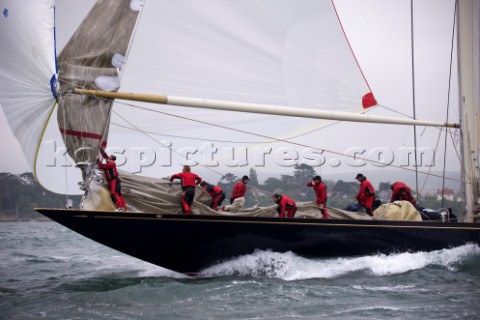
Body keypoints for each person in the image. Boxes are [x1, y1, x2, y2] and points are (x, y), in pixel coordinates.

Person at [96, 147, 126, 212]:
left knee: (114, 193)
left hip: (114, 181)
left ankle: (121, 207)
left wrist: (98, 160)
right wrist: (101, 150)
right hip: (114, 181)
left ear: (111, 159)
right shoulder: (109, 162)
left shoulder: (111, 164)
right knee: (118, 194)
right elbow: (105, 156)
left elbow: (101, 166)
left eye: (110, 156)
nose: (108, 157)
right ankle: (123, 207)